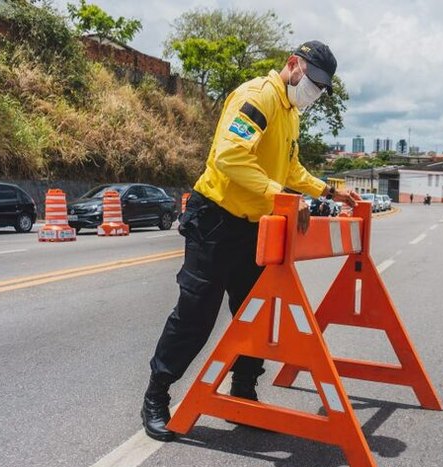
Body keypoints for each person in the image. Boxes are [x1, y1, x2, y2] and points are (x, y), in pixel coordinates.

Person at [141, 41, 361, 442]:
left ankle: (242, 391)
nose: (313, 92)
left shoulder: (290, 113)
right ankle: (157, 395)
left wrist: (329, 191)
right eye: (312, 82)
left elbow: (289, 168)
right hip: (215, 220)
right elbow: (230, 157)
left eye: (320, 88)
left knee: (255, 314)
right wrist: (283, 197)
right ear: (293, 65)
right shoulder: (259, 97)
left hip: (253, 227)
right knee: (196, 314)